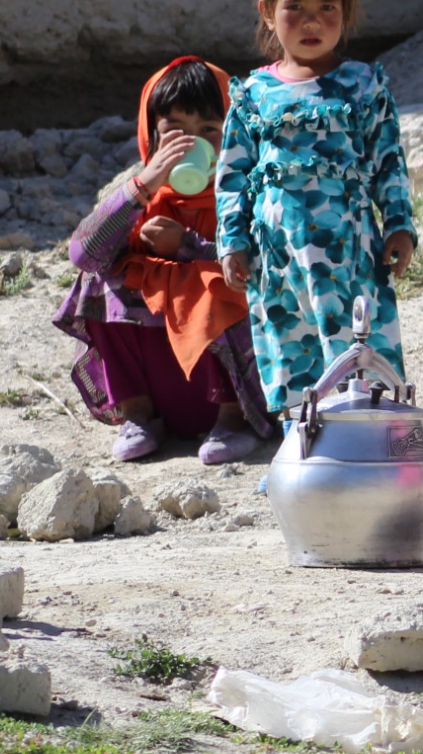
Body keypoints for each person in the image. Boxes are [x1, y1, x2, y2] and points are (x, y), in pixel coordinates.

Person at [217, 0, 420, 416]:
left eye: (327, 6)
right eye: (296, 7)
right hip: (278, 255)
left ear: (346, 11)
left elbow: (388, 159)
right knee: (290, 344)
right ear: (267, 11)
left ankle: (366, 436)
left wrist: (398, 224)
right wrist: (233, 240)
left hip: (349, 252)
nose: (313, 21)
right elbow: (232, 174)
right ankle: (303, 450)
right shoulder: (254, 95)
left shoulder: (362, 85)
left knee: (356, 336)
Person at [54, 56, 272, 463]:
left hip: (239, 386)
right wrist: (144, 183)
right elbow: (84, 254)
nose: (192, 146)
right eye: (174, 133)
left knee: (214, 283)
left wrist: (188, 248)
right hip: (165, 384)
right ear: (151, 138)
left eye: (209, 131)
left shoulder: (249, 194)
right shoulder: (143, 199)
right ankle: (138, 416)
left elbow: (265, 268)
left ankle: (234, 421)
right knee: (101, 278)